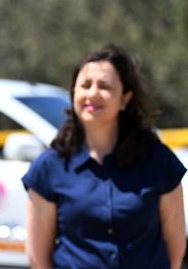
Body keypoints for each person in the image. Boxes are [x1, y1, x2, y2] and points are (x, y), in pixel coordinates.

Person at [22, 44, 186, 268]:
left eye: (104, 86)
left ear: (125, 99)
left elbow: (175, 248)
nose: (93, 93)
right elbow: (38, 259)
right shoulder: (48, 168)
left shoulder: (159, 160)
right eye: (85, 85)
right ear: (73, 94)